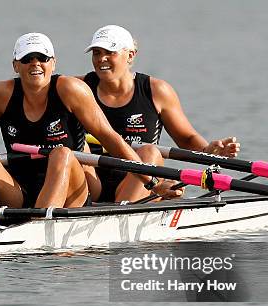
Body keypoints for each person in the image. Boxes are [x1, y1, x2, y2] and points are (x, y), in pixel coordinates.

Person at [0, 32, 165, 223]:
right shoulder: (0, 94)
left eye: (41, 58)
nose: (35, 64)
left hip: (71, 192)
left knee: (62, 153)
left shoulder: (70, 90)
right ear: (15, 65)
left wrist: (152, 184)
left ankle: (38, 226)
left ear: (53, 63)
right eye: (27, 59)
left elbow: (110, 138)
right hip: (20, 192)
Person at [80, 25, 241, 203]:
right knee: (75, 149)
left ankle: (121, 212)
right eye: (96, 52)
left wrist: (208, 152)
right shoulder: (78, 88)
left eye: (110, 52)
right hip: (91, 182)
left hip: (140, 183)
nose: (101, 58)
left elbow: (186, 138)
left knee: (150, 152)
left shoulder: (156, 91)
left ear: (131, 55)